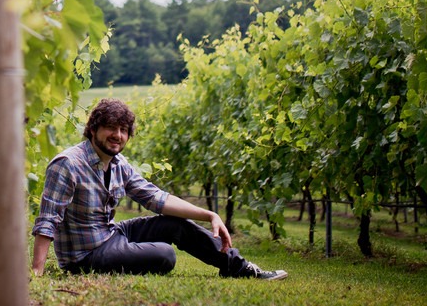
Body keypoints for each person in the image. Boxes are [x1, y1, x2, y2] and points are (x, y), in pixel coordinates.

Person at [31, 98, 287, 281]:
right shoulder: (68, 164)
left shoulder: (120, 165)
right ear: (94, 128)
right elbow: (48, 220)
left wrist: (210, 215)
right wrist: (37, 273)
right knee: (165, 255)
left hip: (110, 234)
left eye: (123, 130)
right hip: (85, 254)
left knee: (175, 224)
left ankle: (239, 268)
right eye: (111, 127)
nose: (117, 135)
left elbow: (157, 198)